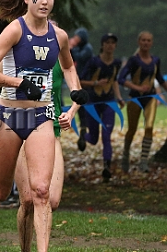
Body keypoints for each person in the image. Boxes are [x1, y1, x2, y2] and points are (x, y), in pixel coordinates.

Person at [0, 0, 87, 252]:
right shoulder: (15, 30)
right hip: (10, 117)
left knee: (41, 190)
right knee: (1, 187)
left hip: (41, 118)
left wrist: (75, 94)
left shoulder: (59, 36)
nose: (45, 2)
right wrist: (19, 83)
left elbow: (67, 66)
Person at [0, 57, 78, 252]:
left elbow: (76, 92)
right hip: (15, 127)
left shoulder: (58, 53)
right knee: (23, 197)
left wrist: (70, 113)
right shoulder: (11, 56)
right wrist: (2, 106)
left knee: (49, 198)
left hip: (47, 129)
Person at [117, 31, 167, 172]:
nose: (146, 43)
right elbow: (121, 79)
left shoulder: (156, 60)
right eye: (143, 40)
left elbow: (160, 79)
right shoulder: (134, 60)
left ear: (151, 43)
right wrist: (137, 87)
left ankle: (143, 161)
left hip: (151, 98)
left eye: (148, 40)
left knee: (149, 127)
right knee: (132, 129)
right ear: (139, 42)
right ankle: (125, 156)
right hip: (135, 99)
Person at [78, 33, 125, 180]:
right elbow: (80, 80)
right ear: (102, 45)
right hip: (92, 102)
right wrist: (95, 84)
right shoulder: (93, 62)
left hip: (109, 102)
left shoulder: (117, 63)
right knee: (94, 138)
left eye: (113, 43)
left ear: (115, 46)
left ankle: (107, 168)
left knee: (106, 136)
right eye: (107, 42)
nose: (110, 45)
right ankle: (83, 136)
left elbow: (115, 80)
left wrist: (119, 98)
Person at [69, 27, 94, 145]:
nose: (76, 39)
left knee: (86, 105)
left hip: (87, 81)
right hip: (79, 80)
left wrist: (72, 47)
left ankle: (87, 129)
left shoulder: (87, 48)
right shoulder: (78, 48)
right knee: (80, 105)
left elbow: (80, 57)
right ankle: (83, 128)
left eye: (78, 37)